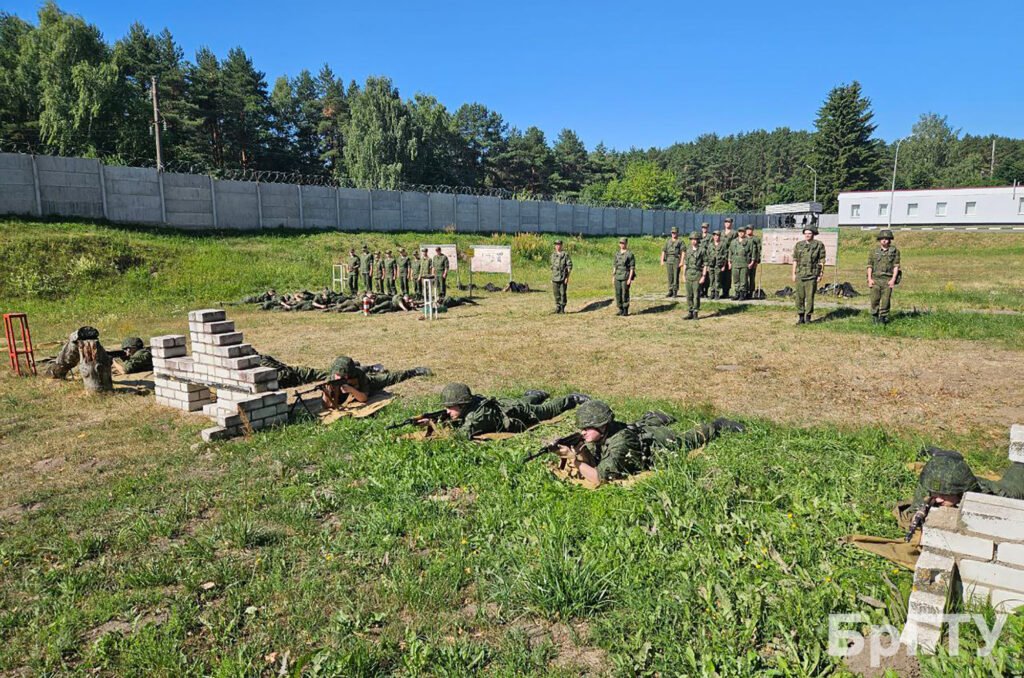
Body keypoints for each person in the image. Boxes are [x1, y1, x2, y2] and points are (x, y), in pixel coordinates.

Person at [559, 401, 745, 485]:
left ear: (602, 426)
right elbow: (593, 460)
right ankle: (654, 417)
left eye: (587, 428)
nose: (582, 432)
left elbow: (598, 477)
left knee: (689, 439)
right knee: (641, 424)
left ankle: (717, 424)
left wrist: (574, 461)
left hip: (660, 443)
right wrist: (577, 451)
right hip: (638, 437)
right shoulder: (599, 435)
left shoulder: (620, 442)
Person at [427, 383, 589, 438]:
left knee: (545, 410)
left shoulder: (476, 417)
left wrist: (435, 426)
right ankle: (536, 394)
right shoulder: (469, 404)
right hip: (506, 404)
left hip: (517, 413)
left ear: (462, 404)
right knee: (523, 401)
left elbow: (460, 436)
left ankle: (571, 398)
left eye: (450, 407)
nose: (446, 410)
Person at [908, 451, 1024, 519]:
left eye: (944, 495)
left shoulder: (988, 498)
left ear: (960, 492)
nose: (937, 499)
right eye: (935, 493)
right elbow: (915, 508)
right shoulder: (930, 483)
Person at [323, 356, 432, 407]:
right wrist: (326, 393)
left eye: (342, 375)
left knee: (388, 378)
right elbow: (326, 406)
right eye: (337, 375)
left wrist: (351, 389)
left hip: (368, 381)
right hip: (355, 373)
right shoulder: (331, 379)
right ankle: (370, 367)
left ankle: (414, 371)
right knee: (360, 369)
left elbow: (364, 398)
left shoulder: (358, 375)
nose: (338, 378)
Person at [791, 224, 826, 324]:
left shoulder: (819, 245)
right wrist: (793, 273)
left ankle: (808, 317)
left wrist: (820, 274)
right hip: (800, 274)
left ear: (813, 234)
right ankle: (801, 316)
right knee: (799, 297)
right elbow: (795, 260)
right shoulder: (799, 245)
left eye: (809, 233)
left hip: (812, 275)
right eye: (805, 233)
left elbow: (822, 261)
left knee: (810, 297)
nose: (807, 235)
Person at [867, 229, 901, 324]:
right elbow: (869, 266)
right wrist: (869, 279)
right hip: (876, 279)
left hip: (887, 280)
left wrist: (893, 280)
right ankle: (874, 317)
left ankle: (883, 318)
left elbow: (896, 266)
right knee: (874, 300)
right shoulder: (874, 251)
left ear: (890, 240)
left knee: (886, 301)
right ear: (879, 240)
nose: (884, 240)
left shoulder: (895, 251)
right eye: (882, 238)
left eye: (886, 238)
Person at [681, 232, 708, 320]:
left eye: (695, 239)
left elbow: (705, 264)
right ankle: (690, 311)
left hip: (697, 274)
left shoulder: (702, 250)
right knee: (689, 295)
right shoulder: (688, 250)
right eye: (692, 239)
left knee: (696, 295)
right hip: (689, 274)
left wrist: (703, 276)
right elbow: (685, 263)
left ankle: (696, 312)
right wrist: (683, 275)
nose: (694, 241)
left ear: (698, 240)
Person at [612, 237, 636, 316]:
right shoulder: (617, 254)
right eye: (620, 243)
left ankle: (625, 309)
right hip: (617, 276)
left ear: (626, 244)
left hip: (625, 275)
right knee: (618, 293)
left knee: (624, 293)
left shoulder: (630, 254)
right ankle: (620, 308)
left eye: (623, 243)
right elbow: (615, 266)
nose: (622, 245)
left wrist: (629, 279)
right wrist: (613, 277)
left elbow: (632, 267)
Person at [660, 226, 684, 298]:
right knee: (670, 276)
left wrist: (682, 261)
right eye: (672, 233)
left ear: (677, 233)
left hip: (676, 259)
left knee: (675, 275)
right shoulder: (668, 241)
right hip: (669, 259)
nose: (673, 234)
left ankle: (675, 291)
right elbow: (664, 251)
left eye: (675, 233)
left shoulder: (680, 241)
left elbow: (683, 252)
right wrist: (662, 260)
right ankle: (670, 290)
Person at [550, 239, 573, 314]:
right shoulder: (553, 255)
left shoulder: (565, 255)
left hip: (563, 277)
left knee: (563, 293)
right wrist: (552, 277)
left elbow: (569, 266)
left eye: (559, 245)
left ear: (561, 245)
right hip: (555, 278)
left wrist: (567, 277)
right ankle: (558, 307)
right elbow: (552, 267)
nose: (557, 246)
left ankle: (562, 308)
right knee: (556, 293)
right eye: (556, 245)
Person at [728, 228, 751, 300]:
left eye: (742, 232)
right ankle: (737, 293)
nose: (741, 233)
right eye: (739, 232)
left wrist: (751, 262)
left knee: (743, 279)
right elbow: (730, 252)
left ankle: (742, 294)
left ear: (744, 233)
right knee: (736, 279)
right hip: (735, 263)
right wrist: (729, 262)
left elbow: (752, 252)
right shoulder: (733, 242)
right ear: (738, 233)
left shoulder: (748, 242)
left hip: (744, 263)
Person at [707, 230, 727, 300]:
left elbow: (725, 256)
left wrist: (724, 266)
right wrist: (707, 266)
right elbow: (707, 255)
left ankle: (717, 293)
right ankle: (712, 292)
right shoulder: (710, 245)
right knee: (711, 279)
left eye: (717, 235)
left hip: (719, 265)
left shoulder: (723, 245)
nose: (716, 237)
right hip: (711, 265)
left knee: (718, 279)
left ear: (719, 236)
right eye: (715, 235)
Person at [720, 219, 737, 297]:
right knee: (721, 274)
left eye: (729, 222)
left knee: (728, 274)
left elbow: (735, 244)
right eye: (726, 222)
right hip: (722, 255)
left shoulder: (734, 233)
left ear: (731, 223)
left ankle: (726, 291)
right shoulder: (721, 233)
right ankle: (722, 291)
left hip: (730, 255)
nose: (727, 224)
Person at [744, 225, 761, 294]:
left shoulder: (756, 239)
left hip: (753, 260)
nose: (749, 231)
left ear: (752, 230)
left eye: (750, 229)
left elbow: (759, 250)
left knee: (751, 277)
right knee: (744, 277)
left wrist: (756, 261)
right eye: (747, 229)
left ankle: (751, 291)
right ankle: (745, 290)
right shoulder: (743, 238)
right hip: (744, 260)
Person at [697, 222, 712, 296]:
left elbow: (711, 247)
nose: (704, 229)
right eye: (703, 227)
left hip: (707, 257)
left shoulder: (710, 237)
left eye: (705, 228)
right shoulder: (698, 236)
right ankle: (700, 290)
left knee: (706, 275)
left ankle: (706, 291)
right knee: (699, 274)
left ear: (707, 228)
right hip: (699, 258)